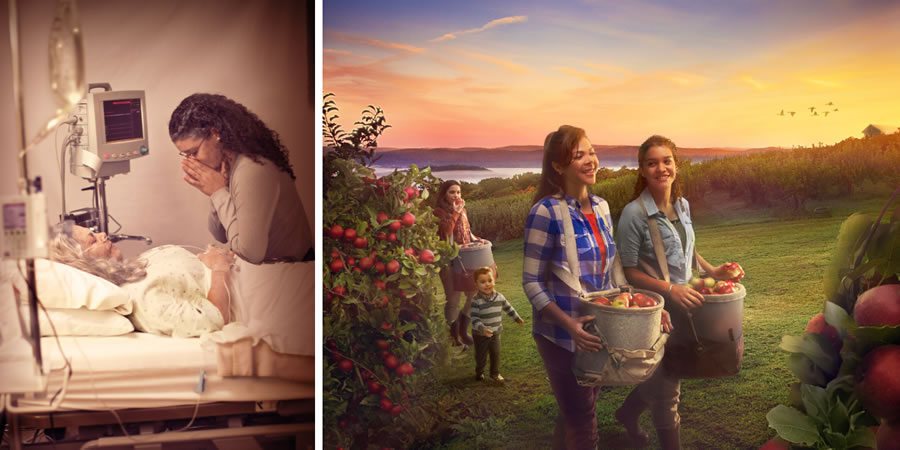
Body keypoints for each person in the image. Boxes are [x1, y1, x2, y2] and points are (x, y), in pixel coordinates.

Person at [615, 135, 735, 449]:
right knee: (668, 389)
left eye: (666, 161)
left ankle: (626, 415)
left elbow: (686, 251)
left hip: (685, 303)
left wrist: (712, 272)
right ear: (642, 169)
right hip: (656, 309)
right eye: (652, 163)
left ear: (676, 166)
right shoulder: (633, 214)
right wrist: (671, 289)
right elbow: (629, 271)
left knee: (672, 369)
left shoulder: (681, 206)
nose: (660, 168)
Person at [522, 125, 615, 449]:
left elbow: (608, 275)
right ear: (559, 167)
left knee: (574, 414)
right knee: (584, 424)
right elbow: (531, 282)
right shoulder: (545, 212)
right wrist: (570, 325)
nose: (591, 160)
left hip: (595, 332)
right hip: (560, 337)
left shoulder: (602, 208)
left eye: (591, 152)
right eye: (579, 155)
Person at [168, 93, 313, 265]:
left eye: (194, 152)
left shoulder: (252, 169)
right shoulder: (227, 163)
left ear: (215, 134)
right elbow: (220, 235)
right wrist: (215, 192)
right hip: (271, 268)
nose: (192, 161)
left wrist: (218, 192)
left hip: (292, 270)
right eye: (185, 155)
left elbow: (250, 254)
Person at [50, 224, 235, 337]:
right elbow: (213, 318)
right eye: (93, 240)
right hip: (249, 298)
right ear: (83, 263)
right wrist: (219, 268)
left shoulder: (136, 269)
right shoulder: (144, 298)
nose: (103, 234)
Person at [433, 180, 479, 346]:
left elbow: (465, 232)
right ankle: (454, 338)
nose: (456, 196)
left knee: (473, 293)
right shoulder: (439, 212)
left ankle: (461, 329)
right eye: (452, 192)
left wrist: (477, 239)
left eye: (458, 192)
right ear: (444, 194)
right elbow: (445, 234)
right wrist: (455, 213)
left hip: (466, 259)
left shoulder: (463, 210)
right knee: (453, 299)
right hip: (449, 261)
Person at [469, 266, 524, 383]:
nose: (487, 284)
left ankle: (495, 374)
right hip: (480, 334)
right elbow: (474, 318)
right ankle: (479, 372)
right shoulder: (476, 300)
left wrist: (517, 319)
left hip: (495, 332)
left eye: (490, 280)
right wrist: (482, 329)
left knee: (496, 353)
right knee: (481, 356)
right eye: (483, 282)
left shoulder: (499, 297)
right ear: (476, 284)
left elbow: (508, 308)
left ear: (494, 280)